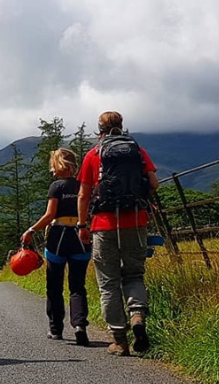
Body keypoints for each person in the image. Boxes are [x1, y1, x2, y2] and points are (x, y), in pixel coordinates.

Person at [77, 112, 159, 356]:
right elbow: (154, 183)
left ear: (98, 129)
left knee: (109, 283)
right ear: (122, 126)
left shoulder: (93, 155)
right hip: (135, 221)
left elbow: (83, 194)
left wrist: (82, 225)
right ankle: (137, 317)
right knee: (134, 275)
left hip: (104, 225)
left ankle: (120, 340)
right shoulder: (137, 150)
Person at [21, 148, 91, 346]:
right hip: (80, 236)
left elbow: (49, 215)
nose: (51, 170)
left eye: (53, 166)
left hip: (58, 238)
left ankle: (56, 328)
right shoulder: (83, 186)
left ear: (59, 166)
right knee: (77, 286)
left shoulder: (56, 187)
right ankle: (79, 325)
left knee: (54, 286)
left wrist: (31, 230)